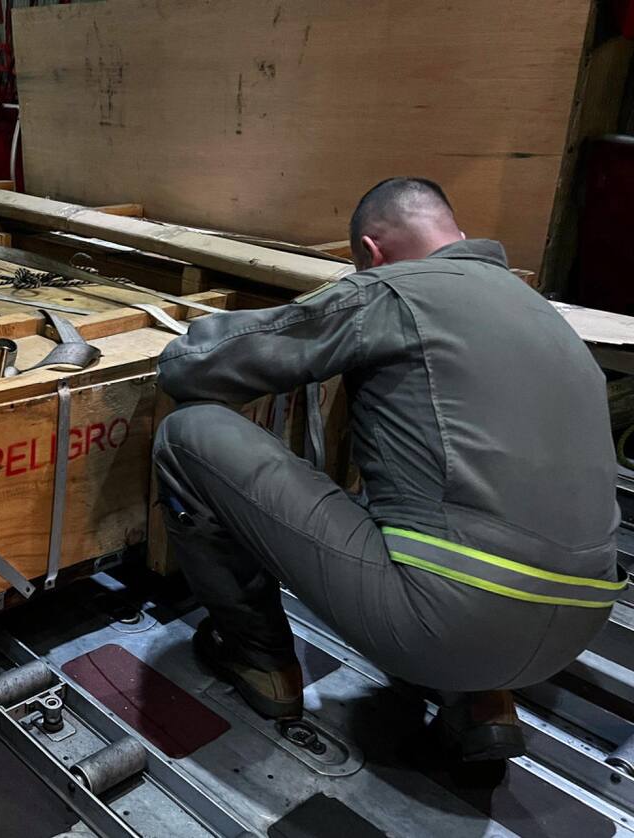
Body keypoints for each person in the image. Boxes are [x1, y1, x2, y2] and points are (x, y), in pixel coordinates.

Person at [153, 177, 624, 761]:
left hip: (452, 622)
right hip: (580, 626)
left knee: (189, 433)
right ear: (457, 234)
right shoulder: (542, 312)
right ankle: (482, 703)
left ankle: (257, 659)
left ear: (372, 252)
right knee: (459, 499)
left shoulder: (393, 291)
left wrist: (186, 343)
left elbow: (194, 368)